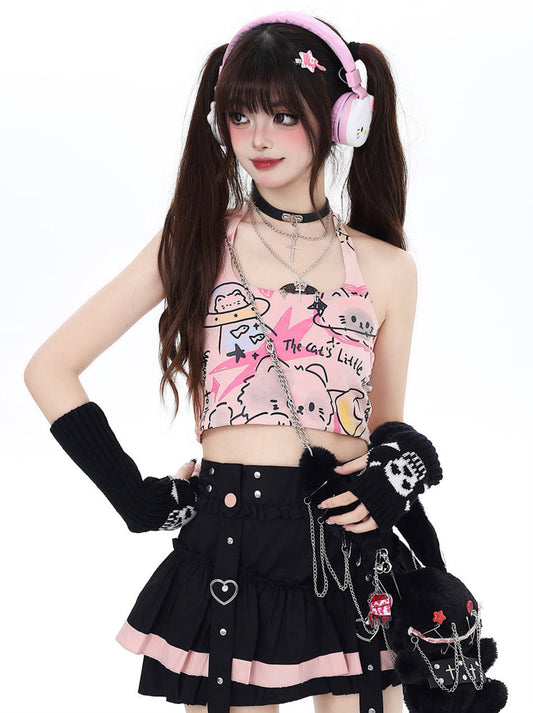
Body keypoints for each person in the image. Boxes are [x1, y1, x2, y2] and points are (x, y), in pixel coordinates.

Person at [24, 11, 443, 713]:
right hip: (228, 543)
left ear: (342, 119)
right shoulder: (194, 242)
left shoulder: (387, 268)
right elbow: (50, 367)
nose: (258, 138)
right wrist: (132, 496)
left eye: (283, 115)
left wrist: (392, 480)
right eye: (240, 115)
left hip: (347, 553)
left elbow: (383, 430)